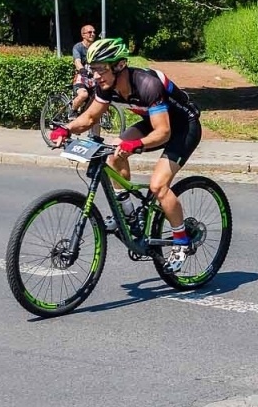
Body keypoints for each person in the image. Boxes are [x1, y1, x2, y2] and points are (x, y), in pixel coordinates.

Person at [48, 38, 203, 263]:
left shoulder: (147, 85)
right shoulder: (107, 86)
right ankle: (128, 213)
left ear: (119, 65)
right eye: (93, 70)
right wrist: (66, 129)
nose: (97, 76)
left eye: (101, 69)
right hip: (154, 122)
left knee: (158, 186)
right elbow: (90, 117)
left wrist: (134, 145)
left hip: (182, 127)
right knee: (112, 151)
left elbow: (163, 132)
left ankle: (182, 240)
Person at [70, 24, 98, 115]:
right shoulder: (78, 47)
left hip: (93, 78)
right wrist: (82, 69)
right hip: (81, 78)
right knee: (83, 95)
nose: (93, 34)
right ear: (83, 35)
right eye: (90, 32)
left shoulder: (96, 48)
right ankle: (72, 111)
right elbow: (77, 61)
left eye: (94, 32)